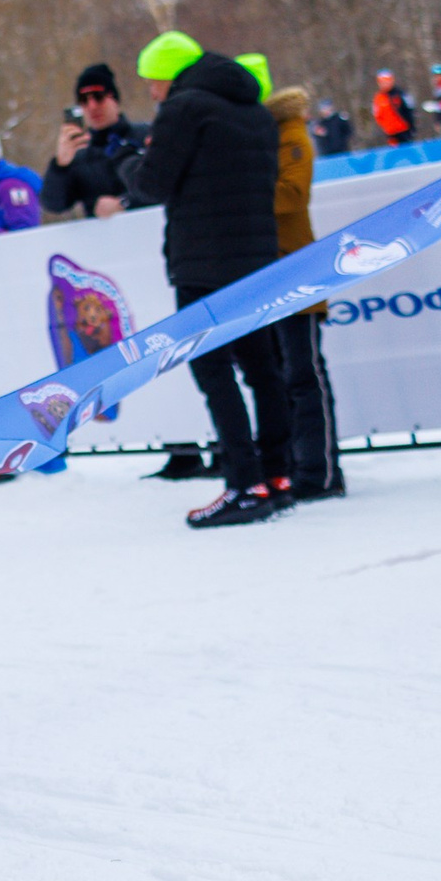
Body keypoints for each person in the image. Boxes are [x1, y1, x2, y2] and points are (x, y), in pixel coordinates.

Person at [119, 31, 287, 530]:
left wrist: (127, 163)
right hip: (257, 258)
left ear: (168, 75)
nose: (151, 92)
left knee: (213, 372)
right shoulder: (255, 111)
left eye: (152, 82)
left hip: (203, 263)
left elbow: (152, 183)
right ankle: (277, 475)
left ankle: (243, 483)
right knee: (262, 369)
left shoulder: (185, 107)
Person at [241, 55, 343, 504]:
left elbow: (292, 195)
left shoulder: (290, 133)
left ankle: (320, 472)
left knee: (304, 375)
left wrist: (237, 192)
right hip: (265, 272)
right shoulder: (257, 137)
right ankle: (292, 468)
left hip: (296, 271)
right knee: (281, 377)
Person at [41, 63, 143, 219]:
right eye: (83, 100)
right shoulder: (80, 154)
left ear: (114, 99)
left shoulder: (145, 136)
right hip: (103, 241)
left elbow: (165, 184)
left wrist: (125, 203)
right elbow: (53, 204)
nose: (92, 106)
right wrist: (60, 165)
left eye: (98, 97)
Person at [370, 69, 419, 148]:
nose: (385, 84)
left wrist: (412, 126)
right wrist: (386, 126)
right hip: (390, 133)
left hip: (404, 130)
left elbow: (410, 110)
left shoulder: (400, 94)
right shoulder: (378, 98)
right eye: (382, 82)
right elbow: (377, 115)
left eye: (387, 81)